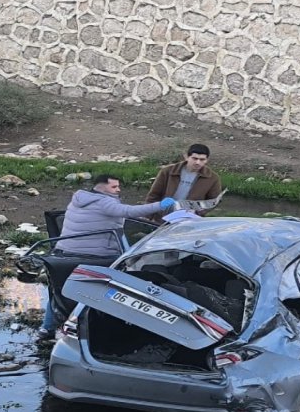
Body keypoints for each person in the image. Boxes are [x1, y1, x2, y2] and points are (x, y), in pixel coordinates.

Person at [39, 175, 174, 338]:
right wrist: (160, 205)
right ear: (101, 187)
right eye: (114, 187)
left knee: (59, 291)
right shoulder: (105, 202)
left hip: (63, 253)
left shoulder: (81, 197)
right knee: (108, 290)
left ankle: (46, 328)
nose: (118, 190)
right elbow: (128, 212)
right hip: (94, 256)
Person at [145, 144, 223, 214]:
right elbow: (153, 195)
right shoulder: (168, 171)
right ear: (186, 157)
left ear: (207, 160)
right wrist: (148, 214)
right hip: (162, 215)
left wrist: (198, 211)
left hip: (189, 219)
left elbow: (214, 202)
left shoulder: (212, 178)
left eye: (202, 159)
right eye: (194, 158)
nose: (198, 162)